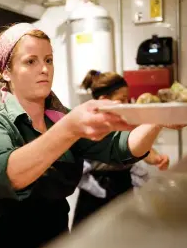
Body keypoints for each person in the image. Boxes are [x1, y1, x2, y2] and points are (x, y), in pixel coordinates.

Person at [0, 23, 184, 248]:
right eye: (31, 61)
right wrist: (69, 129)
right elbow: (7, 176)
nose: (44, 69)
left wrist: (158, 119)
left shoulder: (59, 118)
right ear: (7, 72)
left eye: (48, 60)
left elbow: (121, 147)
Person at [73, 70, 170, 226]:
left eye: (128, 99)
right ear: (104, 100)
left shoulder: (123, 121)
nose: (127, 104)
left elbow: (134, 147)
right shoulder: (90, 126)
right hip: (97, 189)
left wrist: (156, 158)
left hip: (123, 184)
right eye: (122, 99)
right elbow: (122, 146)